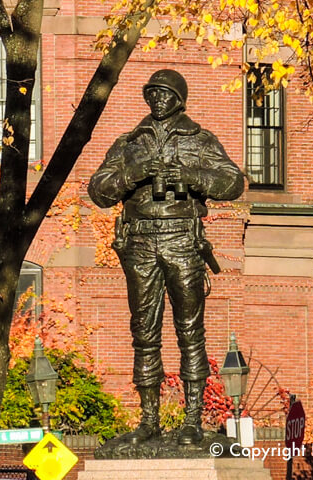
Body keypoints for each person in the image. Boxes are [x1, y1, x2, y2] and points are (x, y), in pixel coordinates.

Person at [88, 69, 245, 445]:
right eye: (152, 93)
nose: (157, 99)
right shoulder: (130, 142)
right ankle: (149, 420)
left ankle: (192, 419)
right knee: (144, 333)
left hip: (181, 239)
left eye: (164, 93)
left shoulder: (200, 139)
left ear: (179, 98)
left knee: (190, 331)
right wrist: (135, 173)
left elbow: (233, 182)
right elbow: (98, 190)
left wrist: (191, 175)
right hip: (139, 242)